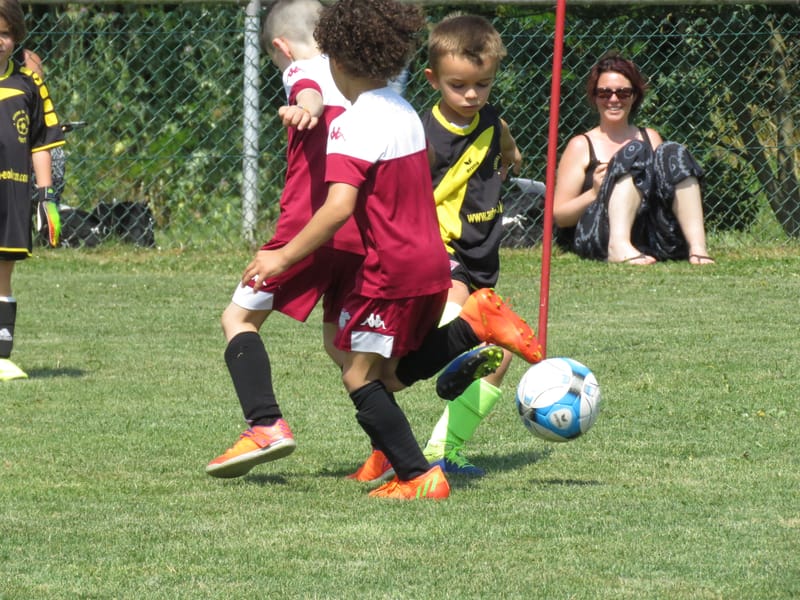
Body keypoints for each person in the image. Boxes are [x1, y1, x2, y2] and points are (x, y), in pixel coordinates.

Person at [248, 0, 543, 500]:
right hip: (429, 260)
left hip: (389, 268)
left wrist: (283, 256)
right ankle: (472, 327)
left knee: (358, 375)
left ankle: (416, 475)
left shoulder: (353, 123)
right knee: (385, 374)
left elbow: (337, 208)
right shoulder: (404, 111)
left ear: (337, 61)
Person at [347, 13, 527, 480]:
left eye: (482, 85)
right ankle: (445, 364)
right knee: (453, 308)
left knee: (500, 355)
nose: (471, 95)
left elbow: (504, 138)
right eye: (458, 85)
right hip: (437, 249)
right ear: (432, 79)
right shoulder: (420, 132)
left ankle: (444, 448)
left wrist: (509, 156)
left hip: (481, 254)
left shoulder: (491, 121)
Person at [205, 0, 365, 478]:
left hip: (305, 233)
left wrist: (305, 109)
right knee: (341, 348)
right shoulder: (358, 79)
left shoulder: (301, 68)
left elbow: (306, 88)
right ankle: (388, 447)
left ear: (281, 46)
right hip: (359, 233)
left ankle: (264, 424)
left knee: (237, 318)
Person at [553, 51, 714, 265]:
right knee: (635, 150)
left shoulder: (651, 137)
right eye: (604, 93)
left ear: (634, 96)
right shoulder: (581, 145)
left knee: (673, 150)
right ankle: (619, 247)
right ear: (595, 97)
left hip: (650, 235)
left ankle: (697, 248)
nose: (613, 99)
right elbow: (560, 217)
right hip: (600, 235)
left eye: (623, 93)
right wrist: (594, 193)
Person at [0, 0, 65, 381]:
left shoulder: (29, 83)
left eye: (6, 34)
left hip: (12, 193)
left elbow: (41, 143)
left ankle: (1, 357)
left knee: (3, 271)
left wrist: (47, 197)